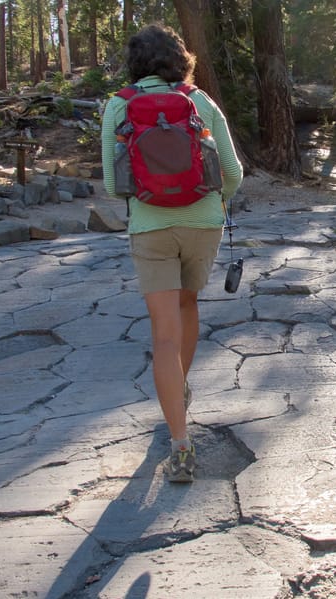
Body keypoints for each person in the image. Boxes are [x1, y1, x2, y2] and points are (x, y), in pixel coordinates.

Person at [101, 24, 243, 483]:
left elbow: (111, 184)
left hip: (150, 227)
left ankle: (180, 446)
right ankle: (180, 386)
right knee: (188, 303)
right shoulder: (199, 101)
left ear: (136, 63)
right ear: (180, 59)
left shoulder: (119, 104)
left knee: (163, 334)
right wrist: (214, 206)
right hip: (202, 223)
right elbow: (233, 172)